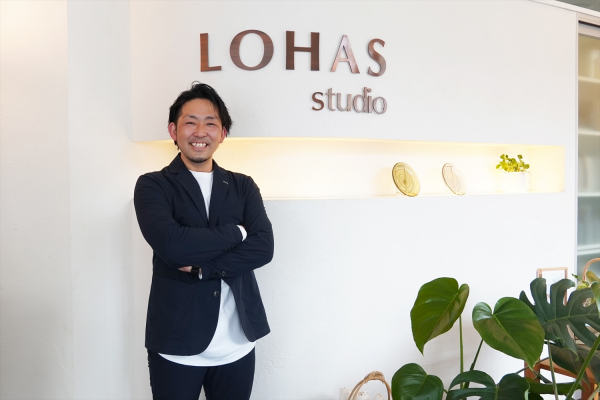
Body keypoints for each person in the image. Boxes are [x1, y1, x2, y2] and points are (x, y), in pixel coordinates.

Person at [134, 82, 274, 400]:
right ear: (174, 130)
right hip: (177, 345)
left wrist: (203, 269)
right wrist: (238, 233)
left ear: (222, 133)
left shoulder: (243, 186)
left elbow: (264, 247)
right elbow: (172, 245)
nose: (200, 132)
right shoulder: (153, 185)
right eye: (190, 122)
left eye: (210, 123)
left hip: (238, 344)